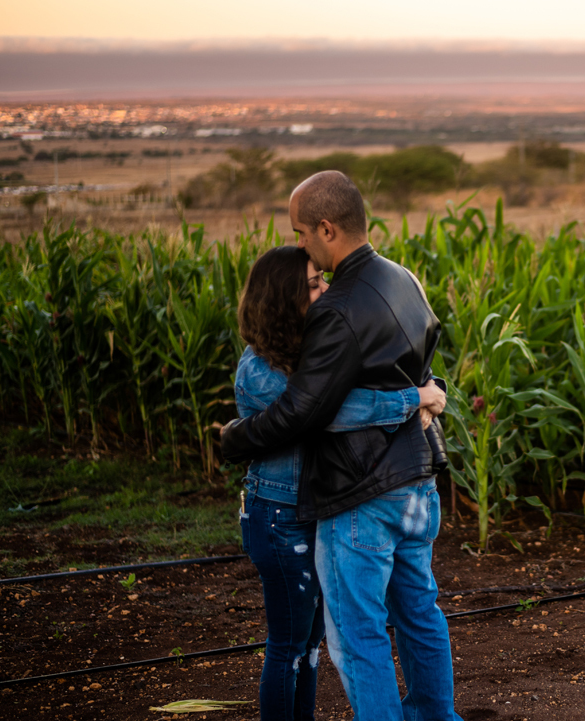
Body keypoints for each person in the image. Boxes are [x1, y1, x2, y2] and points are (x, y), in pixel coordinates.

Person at [221, 170, 462, 721]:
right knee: (420, 612)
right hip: (418, 479)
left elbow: (309, 411)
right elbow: (412, 362)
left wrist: (234, 439)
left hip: (363, 488)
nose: (300, 244)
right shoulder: (404, 278)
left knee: (357, 636)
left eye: (302, 233)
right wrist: (425, 394)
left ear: (327, 229)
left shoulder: (337, 307)